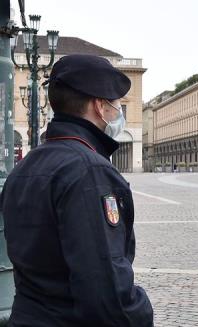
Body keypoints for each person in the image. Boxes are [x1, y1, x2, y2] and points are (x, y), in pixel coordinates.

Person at [0, 54, 153, 326]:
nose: (118, 111)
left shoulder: (25, 168)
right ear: (98, 105)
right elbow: (106, 291)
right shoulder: (90, 171)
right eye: (115, 104)